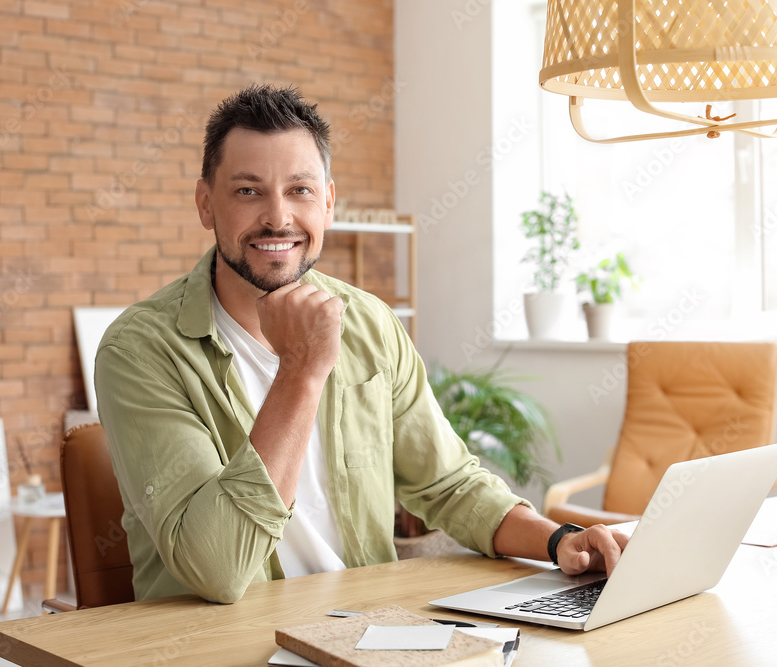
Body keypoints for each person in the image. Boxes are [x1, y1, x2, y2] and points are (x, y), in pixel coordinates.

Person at [95, 84, 627, 604]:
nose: (278, 217)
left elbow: (449, 484)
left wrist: (558, 541)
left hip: (366, 634)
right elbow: (217, 568)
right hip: (217, 646)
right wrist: (301, 371)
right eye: (248, 190)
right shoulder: (139, 350)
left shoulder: (369, 322)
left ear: (327, 203)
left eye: (300, 190)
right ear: (206, 204)